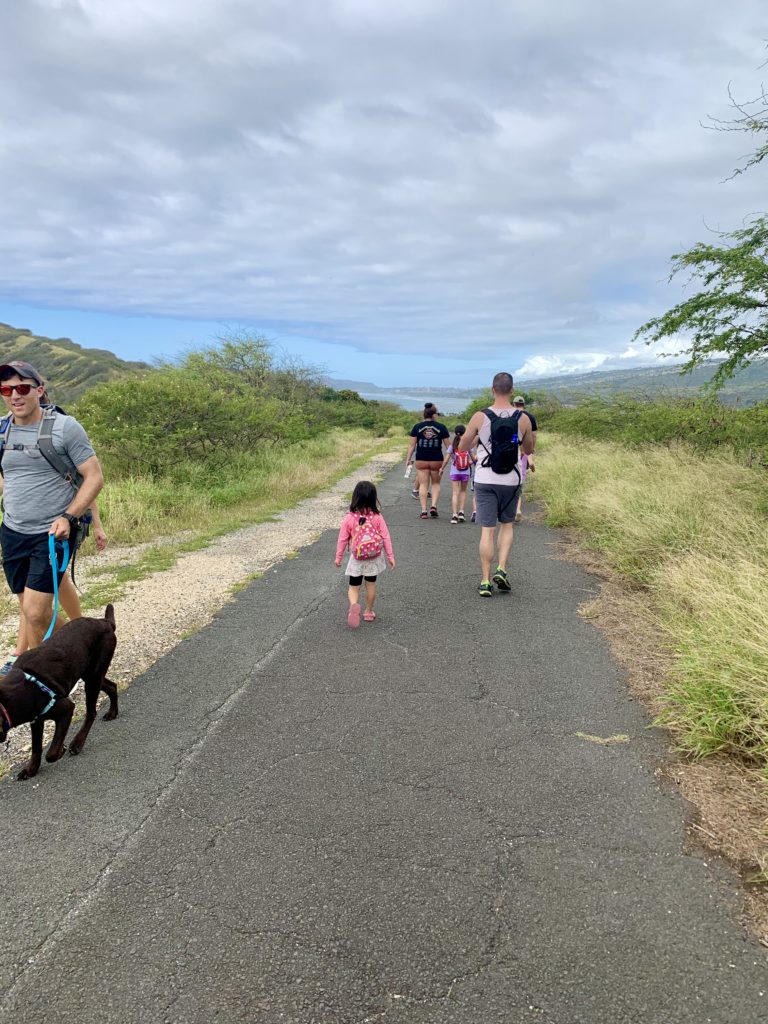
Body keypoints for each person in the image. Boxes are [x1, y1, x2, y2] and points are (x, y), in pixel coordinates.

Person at [0, 360, 104, 658]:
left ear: (39, 390)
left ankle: (43, 674)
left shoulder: (64, 428)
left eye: (22, 388)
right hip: (13, 532)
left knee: (34, 612)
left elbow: (94, 476)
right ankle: (79, 652)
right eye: (6, 390)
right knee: (33, 612)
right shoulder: (2, 431)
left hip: (52, 533)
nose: (14, 396)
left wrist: (69, 517)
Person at [459, 372, 534, 596]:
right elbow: (528, 450)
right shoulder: (523, 418)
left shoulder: (480, 416)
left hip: (485, 479)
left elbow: (462, 447)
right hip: (511, 479)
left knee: (487, 531)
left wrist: (477, 439)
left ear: (492, 390)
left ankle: (485, 581)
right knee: (507, 525)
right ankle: (501, 568)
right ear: (511, 390)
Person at [335, 480, 395, 627]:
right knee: (370, 586)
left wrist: (338, 557)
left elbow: (342, 539)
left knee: (354, 587)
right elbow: (386, 537)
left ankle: (354, 605)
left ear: (355, 497)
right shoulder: (377, 517)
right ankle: (368, 612)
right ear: (373, 498)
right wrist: (390, 556)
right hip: (373, 558)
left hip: (357, 559)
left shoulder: (349, 518)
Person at [405, 402, 451, 519]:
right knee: (435, 484)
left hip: (421, 459)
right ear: (434, 414)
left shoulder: (417, 427)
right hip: (436, 459)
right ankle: (434, 506)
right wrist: (453, 459)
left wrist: (408, 459)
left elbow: (412, 445)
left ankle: (424, 511)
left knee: (423, 485)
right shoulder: (441, 427)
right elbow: (449, 447)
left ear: (424, 414)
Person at [441, 424, 475, 523]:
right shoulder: (467, 445)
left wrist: (441, 469)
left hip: (454, 471)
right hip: (465, 472)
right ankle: (461, 513)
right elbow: (473, 459)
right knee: (463, 492)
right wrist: (472, 462)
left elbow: (447, 459)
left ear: (455, 433)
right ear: (465, 433)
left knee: (455, 493)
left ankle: (454, 515)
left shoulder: (453, 445)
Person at [511, 396, 538, 522]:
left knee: (507, 479)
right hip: (523, 453)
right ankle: (517, 509)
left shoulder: (510, 414)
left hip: (510, 451)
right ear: (524, 404)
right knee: (519, 481)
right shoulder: (530, 417)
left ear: (514, 404)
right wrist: (530, 452)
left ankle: (507, 508)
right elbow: (533, 436)